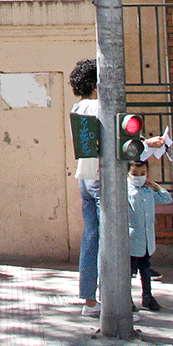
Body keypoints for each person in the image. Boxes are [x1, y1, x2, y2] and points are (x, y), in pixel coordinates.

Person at [69, 59, 102, 317]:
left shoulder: (77, 107)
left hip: (85, 177)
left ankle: (89, 300)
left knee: (91, 236)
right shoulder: (98, 107)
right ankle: (113, 298)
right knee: (110, 240)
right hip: (102, 178)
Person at [127, 160, 172, 312]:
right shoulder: (126, 190)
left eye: (142, 173)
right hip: (132, 240)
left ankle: (147, 296)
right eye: (135, 174)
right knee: (129, 272)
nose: (139, 177)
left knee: (145, 270)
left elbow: (167, 199)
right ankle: (127, 299)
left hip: (146, 240)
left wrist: (153, 185)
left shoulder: (148, 191)